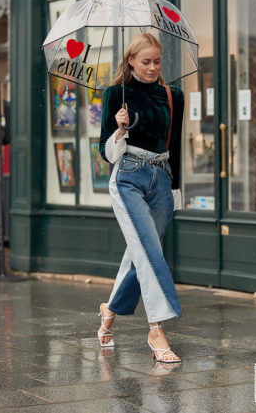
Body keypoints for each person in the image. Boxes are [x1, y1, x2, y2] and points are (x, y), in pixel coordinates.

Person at [98, 32, 184, 363]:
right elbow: (105, 152)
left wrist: (175, 189)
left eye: (157, 62)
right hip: (128, 177)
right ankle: (156, 328)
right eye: (145, 61)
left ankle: (110, 309)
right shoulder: (115, 94)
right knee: (150, 251)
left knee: (139, 253)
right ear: (131, 60)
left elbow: (173, 144)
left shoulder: (172, 95)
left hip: (161, 179)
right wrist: (119, 129)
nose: (152, 68)